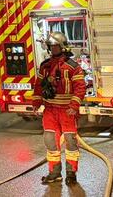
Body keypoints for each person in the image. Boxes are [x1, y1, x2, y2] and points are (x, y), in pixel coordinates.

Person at [33, 32, 87, 185]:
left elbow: (80, 88)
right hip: (50, 110)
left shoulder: (73, 67)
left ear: (62, 47)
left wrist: (74, 106)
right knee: (50, 141)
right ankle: (54, 173)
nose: (53, 49)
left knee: (71, 142)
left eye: (56, 46)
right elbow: (38, 86)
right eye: (51, 46)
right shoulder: (45, 66)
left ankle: (71, 173)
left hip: (66, 111)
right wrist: (36, 103)